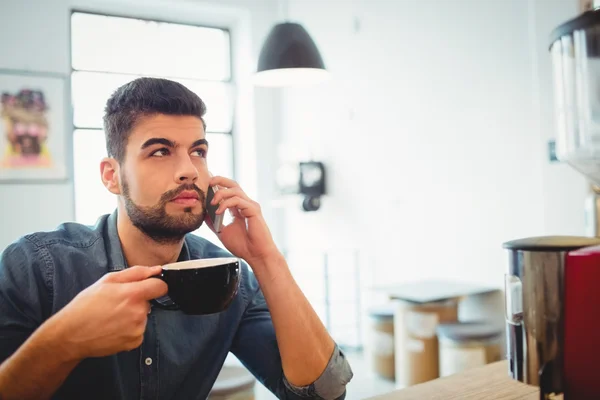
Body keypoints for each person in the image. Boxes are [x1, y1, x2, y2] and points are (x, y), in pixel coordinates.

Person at [0, 78, 353, 400]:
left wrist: (264, 258)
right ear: (112, 176)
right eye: (159, 151)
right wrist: (63, 342)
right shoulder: (36, 267)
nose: (188, 169)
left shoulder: (231, 280)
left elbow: (321, 395)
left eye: (198, 151)